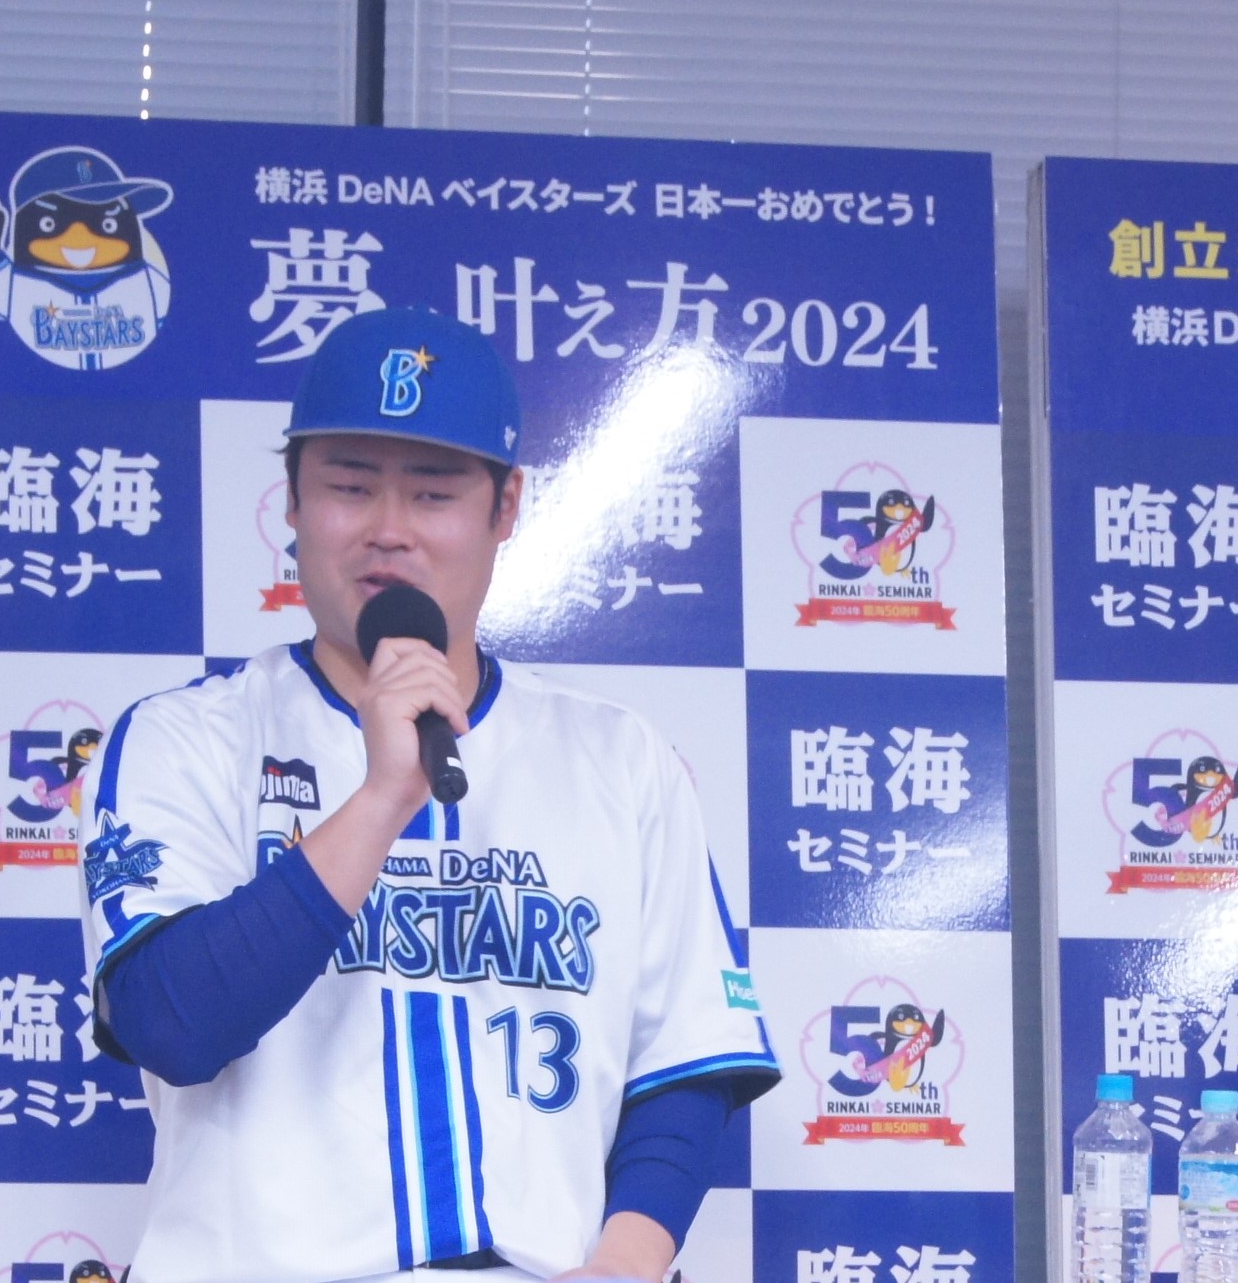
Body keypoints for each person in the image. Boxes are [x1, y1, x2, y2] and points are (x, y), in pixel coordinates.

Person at [79, 305, 780, 1283]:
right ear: (292, 502)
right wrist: (380, 798)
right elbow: (168, 1023)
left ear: (506, 508)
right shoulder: (188, 739)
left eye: (434, 493)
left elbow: (685, 1062)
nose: (388, 530)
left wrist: (624, 1263)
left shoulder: (618, 757)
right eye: (349, 486)